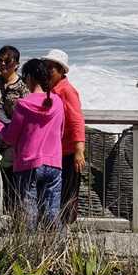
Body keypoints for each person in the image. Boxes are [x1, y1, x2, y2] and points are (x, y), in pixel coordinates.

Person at [0, 59, 65, 229]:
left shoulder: (24, 104)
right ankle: (57, 248)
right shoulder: (57, 102)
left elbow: (9, 138)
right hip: (54, 162)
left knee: (28, 214)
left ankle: (28, 250)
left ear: (29, 78)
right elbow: (61, 132)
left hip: (28, 163)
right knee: (52, 212)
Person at [43, 49, 85, 224]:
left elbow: (76, 120)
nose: (47, 72)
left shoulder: (67, 91)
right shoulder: (51, 90)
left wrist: (78, 150)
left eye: (51, 68)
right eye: (46, 68)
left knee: (66, 195)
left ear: (61, 71)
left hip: (67, 152)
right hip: (55, 152)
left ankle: (65, 231)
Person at [0, 45, 30, 210]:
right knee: (0, 176)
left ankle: (17, 216)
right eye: (0, 60)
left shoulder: (23, 86)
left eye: (7, 61)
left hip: (18, 145)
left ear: (16, 64)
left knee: (18, 181)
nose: (2, 64)